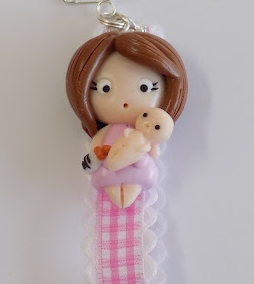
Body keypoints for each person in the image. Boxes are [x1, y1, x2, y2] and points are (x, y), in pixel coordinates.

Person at [66, 31, 188, 208]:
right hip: (108, 169)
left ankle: (131, 192)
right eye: (104, 88)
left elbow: (154, 152)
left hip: (139, 170)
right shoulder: (106, 131)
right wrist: (94, 157)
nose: (124, 102)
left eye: (145, 87)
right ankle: (116, 196)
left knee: (137, 180)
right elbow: (96, 147)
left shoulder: (144, 134)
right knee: (108, 181)